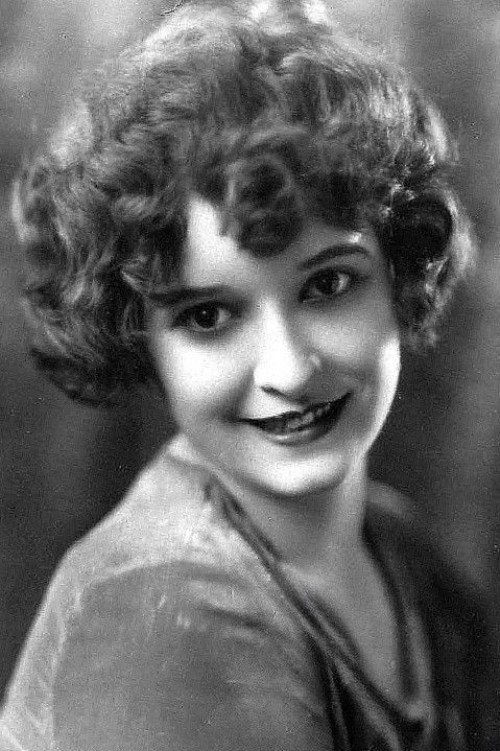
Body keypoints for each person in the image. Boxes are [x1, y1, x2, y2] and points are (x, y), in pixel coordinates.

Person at [0, 0, 494, 748]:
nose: (289, 369)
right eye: (208, 316)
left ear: (398, 274)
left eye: (328, 284)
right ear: (141, 338)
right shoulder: (157, 622)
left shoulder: (412, 562)